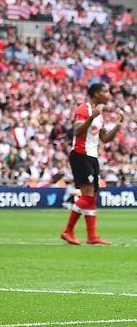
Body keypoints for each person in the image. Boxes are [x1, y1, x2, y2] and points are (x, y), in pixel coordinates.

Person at [60, 83, 124, 246]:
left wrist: (118, 125)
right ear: (96, 94)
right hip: (81, 155)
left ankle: (92, 236)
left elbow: (104, 139)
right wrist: (91, 117)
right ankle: (68, 231)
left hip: (92, 156)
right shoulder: (84, 109)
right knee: (87, 196)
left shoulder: (99, 115)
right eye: (105, 91)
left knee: (92, 197)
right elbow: (77, 131)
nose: (108, 94)